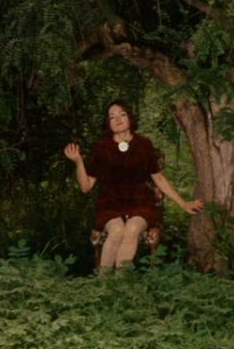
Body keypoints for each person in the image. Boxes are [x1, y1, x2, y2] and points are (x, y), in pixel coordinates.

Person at [64, 100, 204, 271]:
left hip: (141, 203)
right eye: (112, 117)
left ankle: (120, 283)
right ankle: (104, 284)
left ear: (130, 117)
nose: (118, 119)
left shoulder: (144, 144)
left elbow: (159, 179)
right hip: (110, 204)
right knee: (116, 231)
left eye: (122, 114)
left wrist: (183, 203)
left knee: (132, 228)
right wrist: (78, 161)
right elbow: (86, 187)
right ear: (108, 123)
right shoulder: (101, 148)